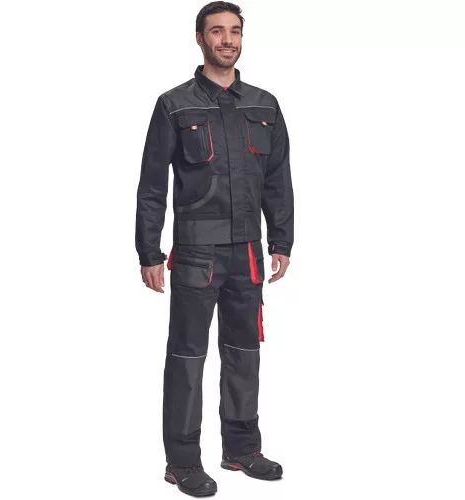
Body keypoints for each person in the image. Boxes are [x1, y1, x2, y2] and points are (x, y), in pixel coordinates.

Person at [135, 1, 294, 496]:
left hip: (247, 253)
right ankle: (182, 461)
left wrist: (282, 239)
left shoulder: (264, 105)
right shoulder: (174, 105)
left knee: (244, 353)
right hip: (195, 256)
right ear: (199, 38)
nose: (227, 40)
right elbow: (152, 185)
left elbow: (278, 180)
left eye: (235, 31)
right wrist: (148, 251)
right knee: (187, 357)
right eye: (217, 31)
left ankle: (242, 449)